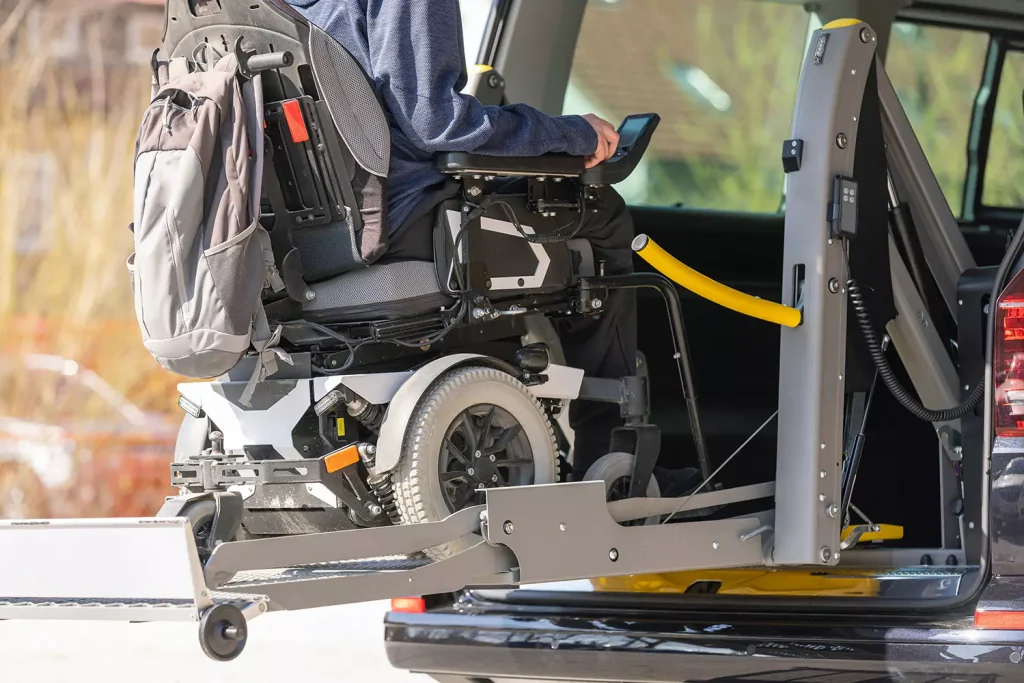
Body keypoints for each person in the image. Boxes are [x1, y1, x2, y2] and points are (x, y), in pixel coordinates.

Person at [284, 0, 644, 481]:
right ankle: (609, 461)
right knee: (603, 215)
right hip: (399, 221)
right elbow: (436, 122)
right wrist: (571, 134)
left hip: (303, 239)